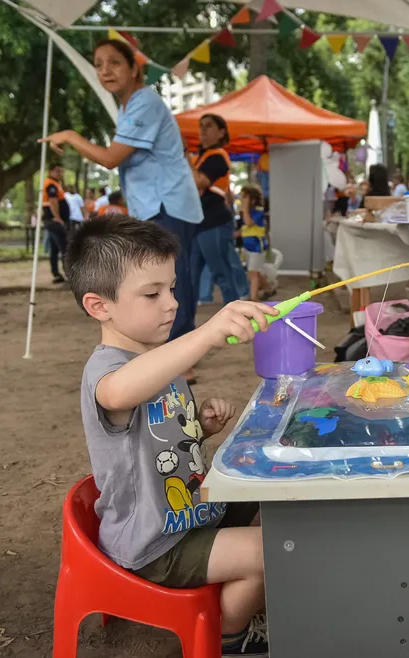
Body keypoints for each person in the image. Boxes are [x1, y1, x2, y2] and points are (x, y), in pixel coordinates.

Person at [66, 215, 277, 656]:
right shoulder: (106, 370)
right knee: (271, 550)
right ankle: (230, 637)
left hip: (192, 513)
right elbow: (120, 392)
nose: (172, 303)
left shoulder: (159, 358)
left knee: (275, 497)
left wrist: (199, 425)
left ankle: (241, 596)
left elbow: (158, 436)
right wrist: (207, 333)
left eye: (172, 288)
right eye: (152, 294)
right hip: (156, 543)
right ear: (99, 306)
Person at [41, 38, 203, 344]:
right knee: (162, 277)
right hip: (156, 205)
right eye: (98, 64)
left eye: (114, 62)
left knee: (170, 279)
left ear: (134, 69)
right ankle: (172, 347)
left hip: (167, 204)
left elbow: (110, 158)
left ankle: (180, 351)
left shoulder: (144, 102)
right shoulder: (130, 107)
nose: (105, 70)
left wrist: (71, 136)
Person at [190, 114, 243, 306]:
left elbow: (200, 182)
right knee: (190, 274)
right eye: (201, 125)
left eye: (209, 126)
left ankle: (238, 314)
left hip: (214, 222)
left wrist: (184, 158)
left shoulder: (217, 156)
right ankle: (185, 320)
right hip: (198, 223)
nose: (203, 129)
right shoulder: (199, 157)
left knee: (221, 272)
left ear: (221, 133)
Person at [240, 186, 269, 302]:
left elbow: (249, 223)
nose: (242, 199)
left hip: (257, 247)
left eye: (244, 197)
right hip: (248, 247)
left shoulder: (258, 211)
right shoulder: (246, 212)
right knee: (255, 271)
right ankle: (269, 288)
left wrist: (245, 209)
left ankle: (253, 299)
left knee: (254, 272)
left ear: (252, 199)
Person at [42, 162, 69, 284]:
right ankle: (68, 273)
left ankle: (56, 273)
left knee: (54, 248)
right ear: (50, 171)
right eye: (57, 171)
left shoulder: (55, 184)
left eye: (61, 171)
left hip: (51, 220)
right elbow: (53, 201)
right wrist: (57, 217)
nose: (60, 173)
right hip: (54, 221)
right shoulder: (51, 184)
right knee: (64, 247)